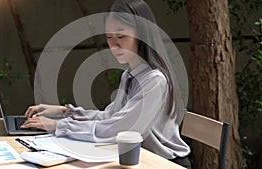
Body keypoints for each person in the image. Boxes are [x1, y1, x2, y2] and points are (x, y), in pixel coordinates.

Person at [21, 0, 191, 168]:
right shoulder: (129, 76)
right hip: (138, 160)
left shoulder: (155, 80)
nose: (114, 45)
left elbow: (120, 129)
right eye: (109, 37)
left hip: (163, 164)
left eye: (121, 36)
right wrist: (64, 112)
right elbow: (110, 117)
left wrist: (59, 126)